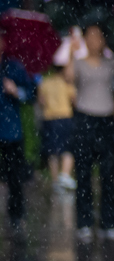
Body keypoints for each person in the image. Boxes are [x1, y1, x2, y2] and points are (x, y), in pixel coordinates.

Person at [69, 22, 114, 240]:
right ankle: (84, 221)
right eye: (90, 36)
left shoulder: (111, 63)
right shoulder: (79, 63)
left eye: (98, 36)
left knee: (108, 172)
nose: (94, 41)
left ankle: (109, 221)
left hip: (106, 121)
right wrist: (72, 53)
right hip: (84, 120)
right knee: (83, 172)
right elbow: (68, 78)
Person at [0, 27, 37, 228]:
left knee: (15, 177)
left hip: (10, 131)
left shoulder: (12, 68)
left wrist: (17, 91)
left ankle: (17, 214)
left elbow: (31, 93)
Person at [37, 42, 75, 192]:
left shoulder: (45, 82)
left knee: (52, 150)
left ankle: (54, 180)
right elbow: (74, 99)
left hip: (49, 118)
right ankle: (64, 175)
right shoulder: (66, 83)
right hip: (64, 117)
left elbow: (41, 101)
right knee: (67, 148)